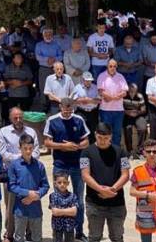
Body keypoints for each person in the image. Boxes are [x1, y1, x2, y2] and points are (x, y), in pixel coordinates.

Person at [44, 97, 89, 239]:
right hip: (60, 165)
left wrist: (76, 146)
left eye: (70, 110)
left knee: (79, 200)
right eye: (65, 109)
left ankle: (79, 231)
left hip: (76, 165)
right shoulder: (52, 120)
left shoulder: (79, 120)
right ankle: (58, 232)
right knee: (58, 199)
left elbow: (86, 141)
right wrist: (63, 146)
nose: (68, 112)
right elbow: (47, 142)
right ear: (60, 107)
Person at [80, 122, 130, 242]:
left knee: (117, 237)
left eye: (106, 138)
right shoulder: (86, 152)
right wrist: (100, 189)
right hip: (94, 203)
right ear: (95, 134)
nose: (103, 141)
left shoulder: (121, 152)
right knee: (94, 237)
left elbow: (126, 174)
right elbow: (85, 175)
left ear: (111, 136)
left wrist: (112, 189)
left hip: (117, 203)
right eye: (100, 138)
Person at [8, 134, 49, 242]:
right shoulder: (14, 165)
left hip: (36, 209)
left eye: (30, 148)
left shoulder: (40, 166)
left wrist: (36, 195)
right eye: (25, 148)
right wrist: (28, 193)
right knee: (19, 237)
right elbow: (11, 186)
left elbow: (45, 186)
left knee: (37, 237)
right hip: (20, 209)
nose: (28, 151)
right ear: (19, 147)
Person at [97, 60, 128, 148]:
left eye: (114, 66)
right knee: (105, 132)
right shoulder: (102, 76)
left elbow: (125, 92)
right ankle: (106, 150)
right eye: (110, 66)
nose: (112, 68)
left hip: (118, 110)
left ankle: (116, 151)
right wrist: (114, 98)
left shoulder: (120, 76)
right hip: (105, 110)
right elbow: (100, 91)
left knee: (117, 132)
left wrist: (111, 98)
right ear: (107, 66)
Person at [49, 172, 79, 242]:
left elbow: (74, 212)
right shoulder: (53, 196)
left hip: (69, 225)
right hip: (57, 225)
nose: (62, 184)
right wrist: (68, 210)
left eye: (64, 182)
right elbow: (55, 212)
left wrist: (60, 211)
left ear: (68, 183)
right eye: (59, 182)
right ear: (55, 184)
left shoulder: (73, 196)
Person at [123, 82, 148, 158]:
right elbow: (121, 108)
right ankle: (129, 151)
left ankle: (140, 151)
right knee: (128, 128)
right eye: (131, 91)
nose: (132, 93)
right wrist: (128, 112)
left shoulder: (140, 96)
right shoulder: (124, 96)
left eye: (134, 91)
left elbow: (144, 109)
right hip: (127, 115)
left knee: (143, 128)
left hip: (138, 115)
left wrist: (137, 112)